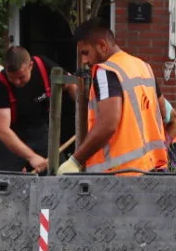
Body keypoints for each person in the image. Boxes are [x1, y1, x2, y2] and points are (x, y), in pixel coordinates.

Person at [60, 22, 167, 176]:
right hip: (152, 170)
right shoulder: (143, 67)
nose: (83, 61)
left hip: (120, 177)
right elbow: (165, 113)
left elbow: (108, 123)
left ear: (102, 46)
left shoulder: (106, 71)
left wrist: (76, 160)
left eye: (85, 52)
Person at [0, 45, 77, 173]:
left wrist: (85, 114)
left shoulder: (44, 66)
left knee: (60, 174)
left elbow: (71, 83)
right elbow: (2, 130)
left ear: (31, 66)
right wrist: (31, 157)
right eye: (12, 77)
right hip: (11, 137)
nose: (17, 82)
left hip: (40, 132)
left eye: (21, 77)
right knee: (2, 181)